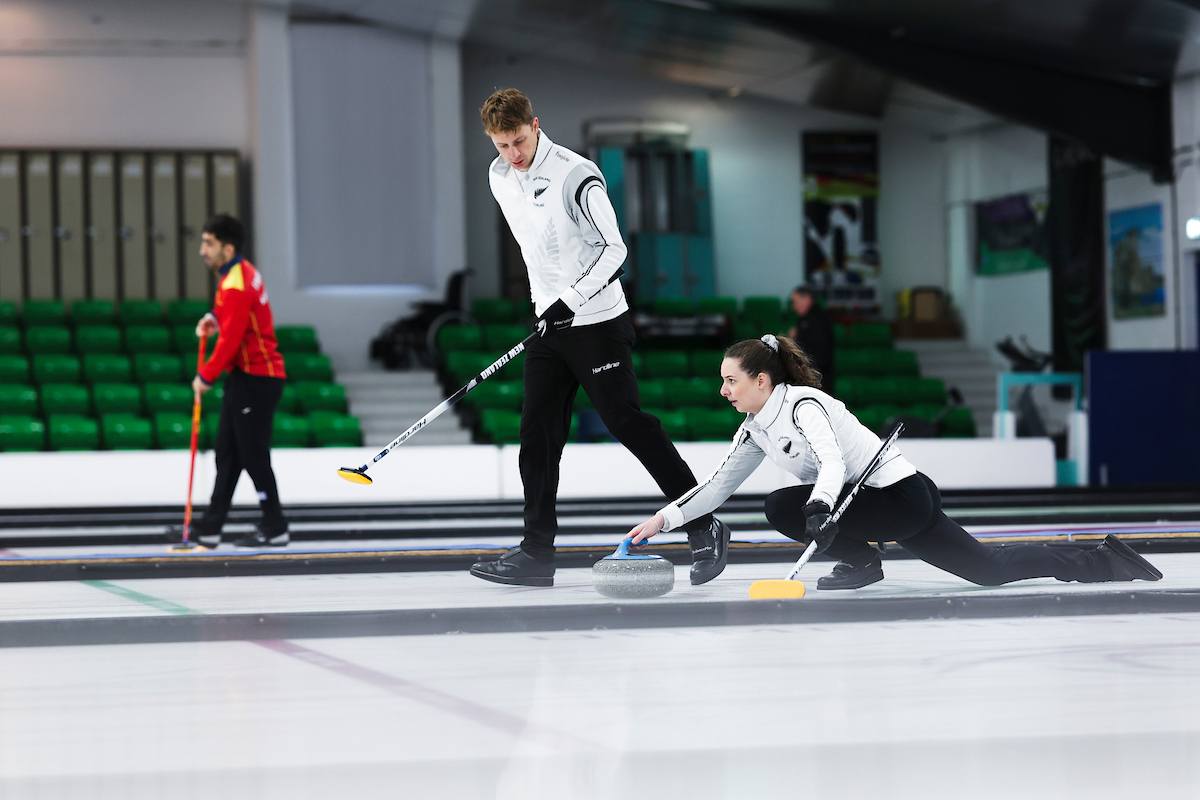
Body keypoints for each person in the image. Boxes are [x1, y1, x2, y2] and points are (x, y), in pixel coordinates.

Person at [626, 334, 1163, 590]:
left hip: (901, 498)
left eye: (730, 380)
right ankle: (1102, 560)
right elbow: (715, 488)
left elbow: (832, 461)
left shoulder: (805, 404)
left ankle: (862, 562)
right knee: (987, 572)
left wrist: (818, 509)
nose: (723, 390)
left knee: (779, 505)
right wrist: (662, 520)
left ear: (762, 380)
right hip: (881, 506)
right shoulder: (754, 431)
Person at [469, 88, 729, 587]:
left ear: (536, 125)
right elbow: (538, 253)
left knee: (625, 420)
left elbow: (614, 250)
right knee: (536, 436)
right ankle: (536, 553)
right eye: (501, 145)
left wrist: (570, 300)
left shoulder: (576, 175)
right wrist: (547, 308)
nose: (513, 155)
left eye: (519, 141)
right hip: (549, 326)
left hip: (598, 324)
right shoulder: (499, 176)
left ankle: (703, 522)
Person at [169, 213, 289, 549]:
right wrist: (213, 318)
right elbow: (235, 317)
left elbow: (232, 339)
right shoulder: (239, 273)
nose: (202, 250)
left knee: (252, 455)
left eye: (208, 243)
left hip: (257, 377)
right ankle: (211, 526)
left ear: (227, 247)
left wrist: (205, 376)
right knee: (228, 453)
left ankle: (275, 523)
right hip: (246, 376)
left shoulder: (235, 282)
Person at [787, 285, 835, 394]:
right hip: (812, 380)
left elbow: (820, 356)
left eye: (796, 301)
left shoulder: (816, 322)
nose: (794, 306)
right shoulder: (807, 320)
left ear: (807, 299)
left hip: (816, 382)